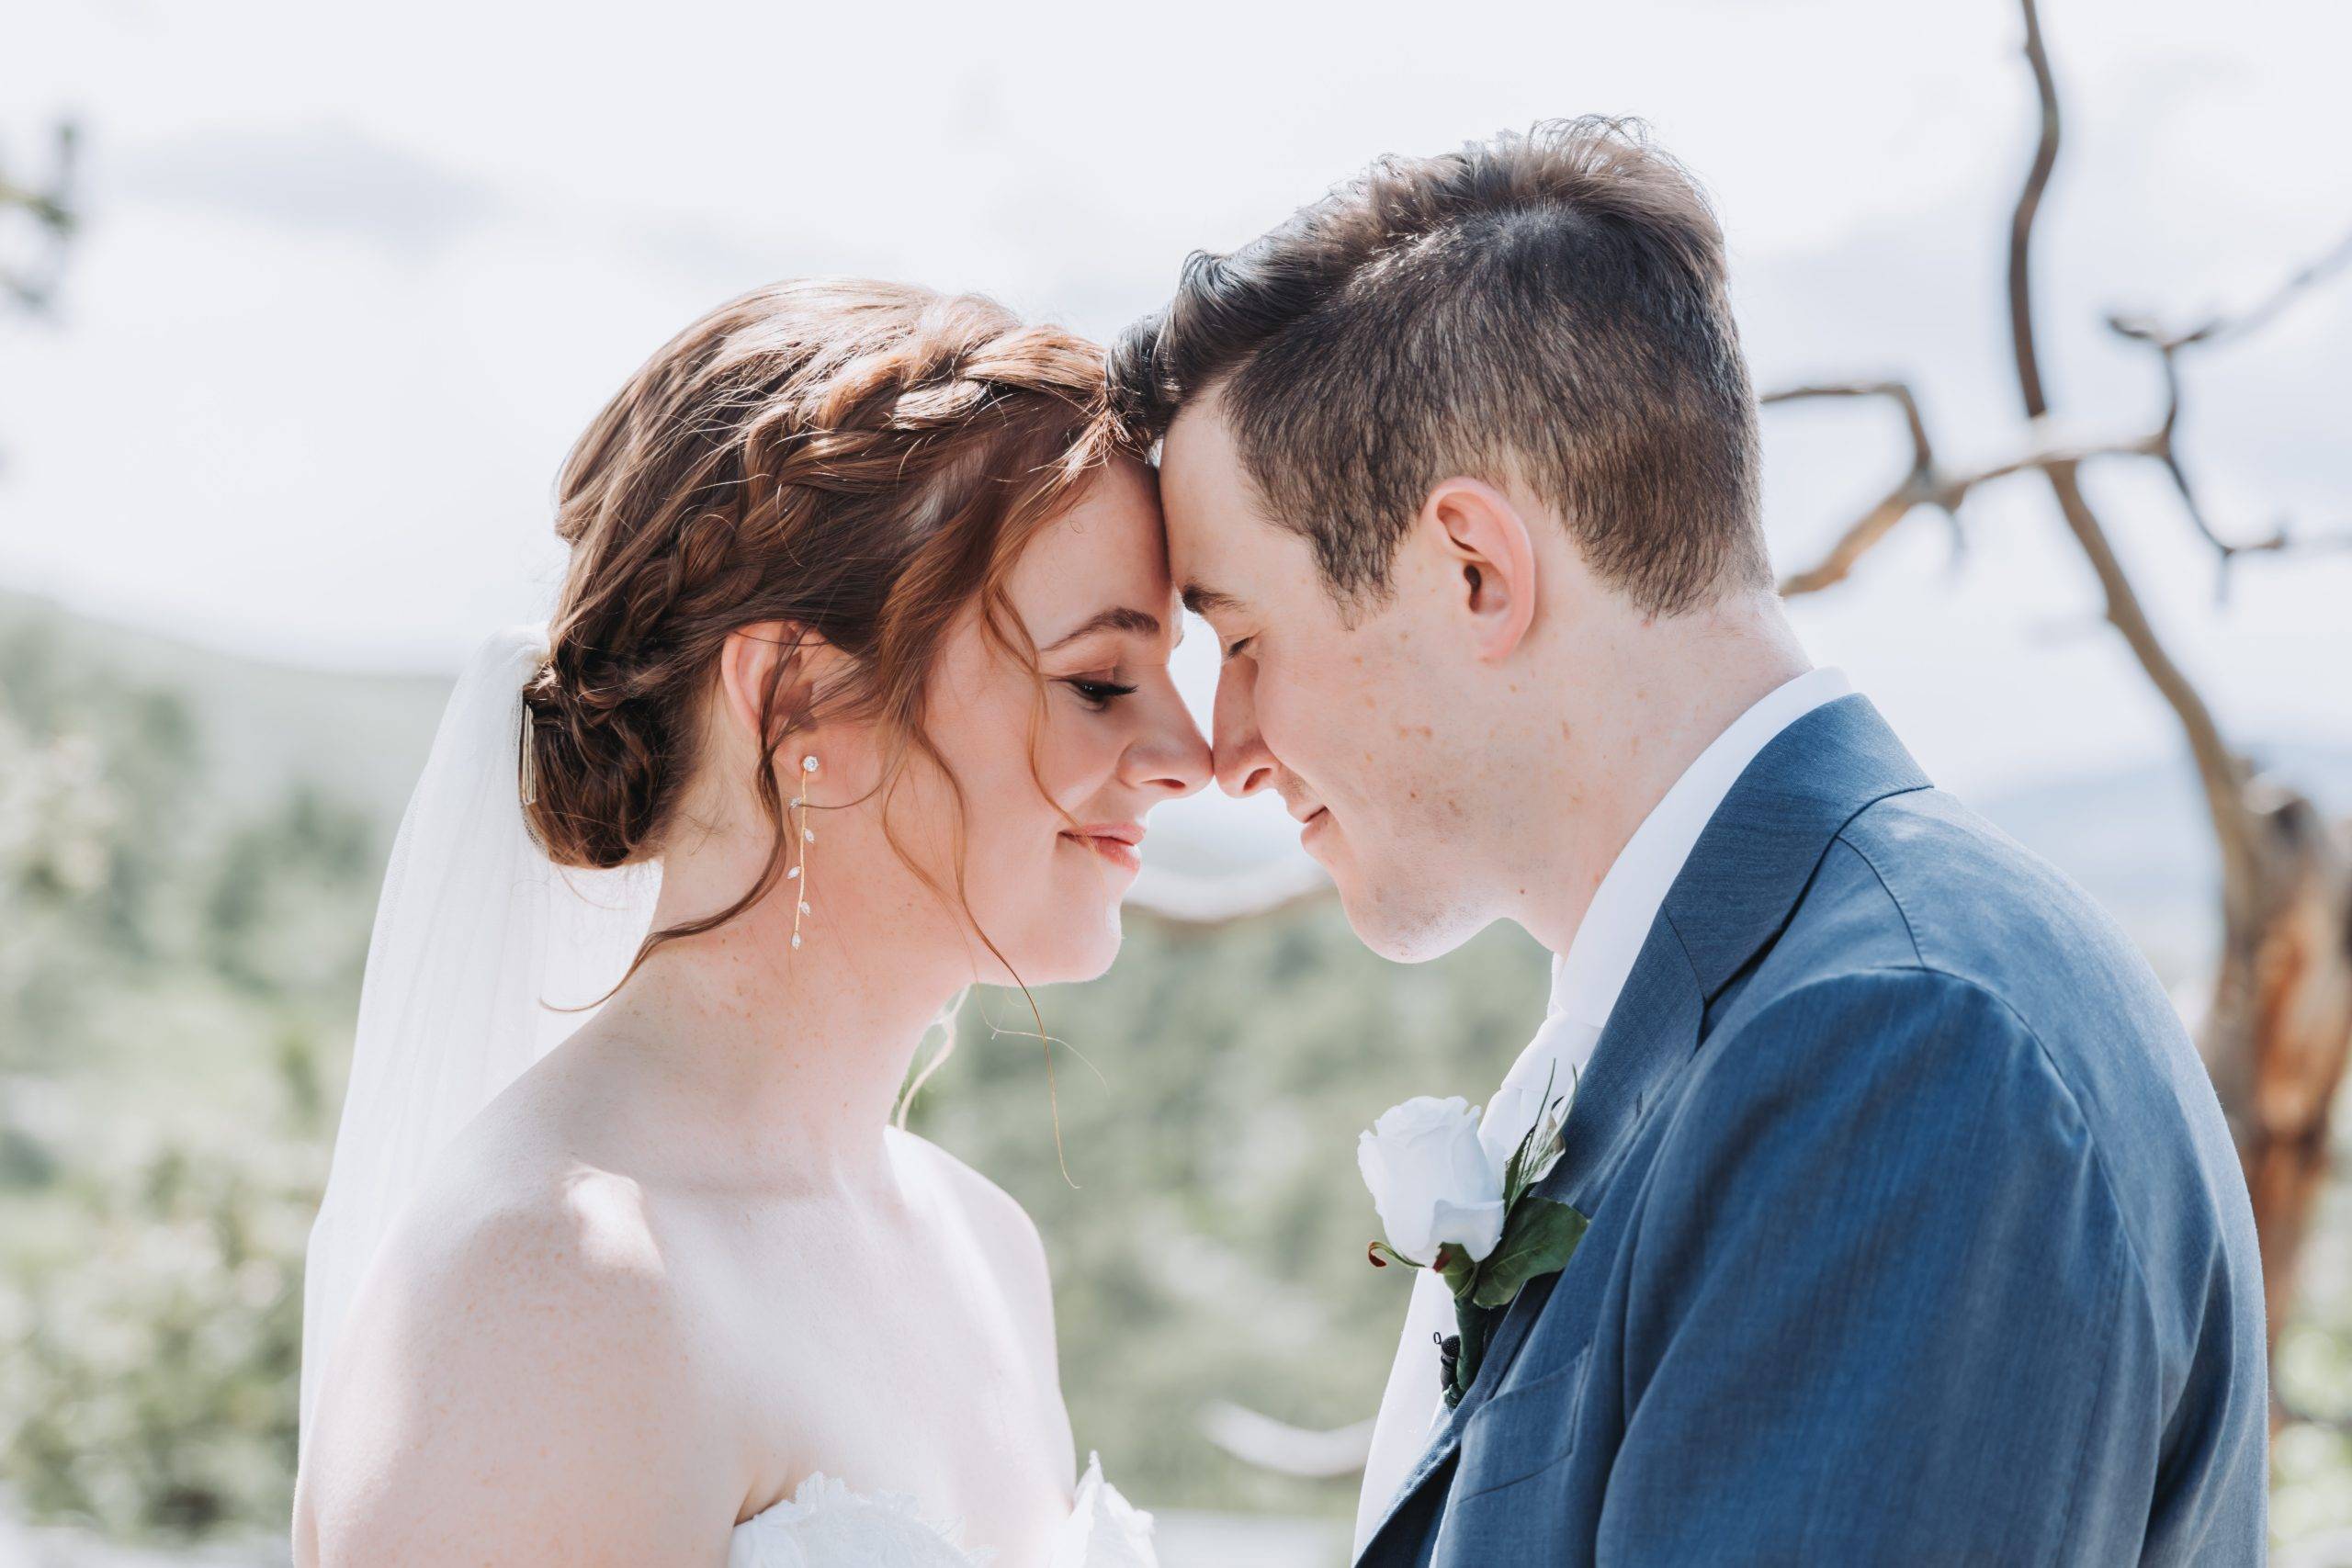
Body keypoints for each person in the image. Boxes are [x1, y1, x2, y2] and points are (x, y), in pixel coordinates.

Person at [1112, 117, 2268, 1565]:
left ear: (1473, 570)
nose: (1224, 750)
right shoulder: (1734, 1025)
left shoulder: (1903, 1053)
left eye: (1243, 636)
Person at [295, 280, 1201, 1565]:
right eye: (1101, 680)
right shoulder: (558, 1294)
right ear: (793, 704)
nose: (1190, 753)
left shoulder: (986, 1247)